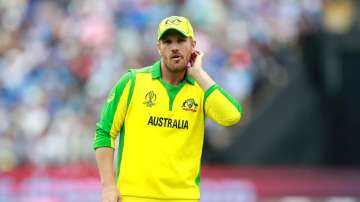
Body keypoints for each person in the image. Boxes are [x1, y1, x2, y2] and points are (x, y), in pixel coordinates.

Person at [93, 16, 243, 202]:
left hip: (183, 198)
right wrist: (108, 186)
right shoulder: (132, 82)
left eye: (181, 41)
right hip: (134, 196)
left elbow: (232, 116)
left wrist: (200, 74)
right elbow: (105, 132)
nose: (174, 47)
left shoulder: (201, 89)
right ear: (159, 47)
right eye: (167, 42)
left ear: (193, 45)